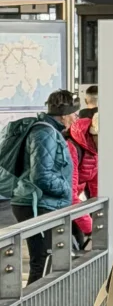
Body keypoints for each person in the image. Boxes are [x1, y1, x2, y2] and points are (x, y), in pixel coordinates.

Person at [1, 90, 77, 283]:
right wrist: (67, 189)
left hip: (38, 202)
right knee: (42, 262)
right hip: (37, 204)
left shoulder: (48, 131)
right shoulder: (45, 133)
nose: (75, 118)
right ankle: (33, 301)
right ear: (64, 115)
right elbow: (41, 175)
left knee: (46, 260)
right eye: (73, 113)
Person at [67, 108, 99, 250]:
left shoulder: (94, 148)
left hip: (67, 202)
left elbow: (96, 189)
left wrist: (102, 220)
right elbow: (70, 195)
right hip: (47, 204)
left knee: (79, 245)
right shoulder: (71, 147)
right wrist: (91, 228)